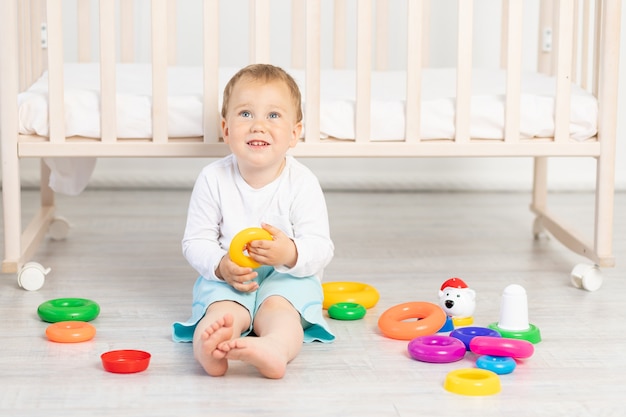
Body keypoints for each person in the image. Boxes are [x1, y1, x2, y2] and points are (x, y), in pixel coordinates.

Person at [172, 64, 335, 379]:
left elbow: (320, 246)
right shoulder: (212, 178)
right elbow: (196, 241)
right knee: (222, 312)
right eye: (246, 114)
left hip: (287, 277)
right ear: (227, 129)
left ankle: (275, 348)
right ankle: (209, 348)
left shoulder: (302, 182)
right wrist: (220, 266)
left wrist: (289, 253)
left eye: (273, 116)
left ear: (294, 134)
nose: (258, 125)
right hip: (232, 274)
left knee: (280, 312)